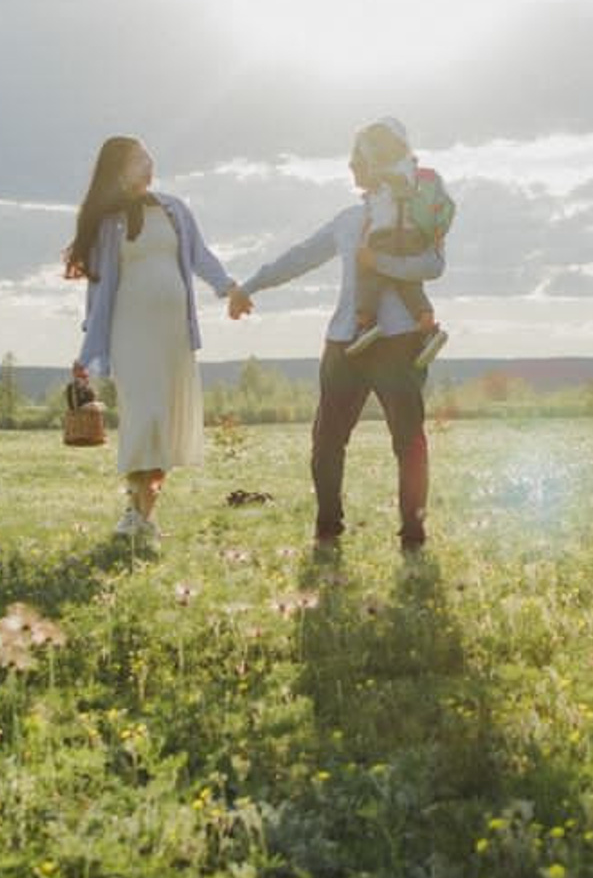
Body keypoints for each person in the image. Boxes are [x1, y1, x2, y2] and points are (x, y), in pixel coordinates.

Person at [229, 118, 449, 552]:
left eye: (355, 160)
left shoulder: (414, 219)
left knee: (408, 440)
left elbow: (433, 267)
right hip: (345, 342)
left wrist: (376, 262)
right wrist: (249, 286)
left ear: (372, 162)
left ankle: (413, 534)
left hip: (398, 342)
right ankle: (328, 529)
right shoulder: (349, 220)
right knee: (327, 439)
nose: (349, 168)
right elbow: (300, 257)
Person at [65, 136, 241, 540]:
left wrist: (228, 288)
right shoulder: (108, 223)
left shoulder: (174, 209)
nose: (148, 164)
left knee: (162, 424)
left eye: (148, 157)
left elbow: (200, 256)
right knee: (145, 417)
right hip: (131, 331)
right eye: (137, 159)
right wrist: (88, 348)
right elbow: (99, 291)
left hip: (172, 335)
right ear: (118, 170)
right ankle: (134, 512)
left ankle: (142, 516)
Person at [348, 118, 452, 368]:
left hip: (385, 236)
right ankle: (427, 327)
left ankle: (365, 323)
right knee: (409, 282)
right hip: (415, 237)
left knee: (366, 271)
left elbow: (369, 187)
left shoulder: (383, 174)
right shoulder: (419, 173)